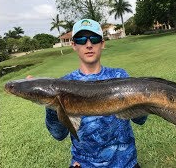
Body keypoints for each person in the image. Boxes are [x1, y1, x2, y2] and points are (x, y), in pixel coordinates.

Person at [45, 19, 148, 168]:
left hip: (126, 163)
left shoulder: (120, 76)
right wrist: (51, 101)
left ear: (102, 43)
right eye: (81, 39)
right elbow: (58, 134)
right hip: (84, 164)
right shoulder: (63, 83)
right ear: (73, 45)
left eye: (94, 39)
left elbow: (140, 120)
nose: (88, 44)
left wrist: (141, 98)